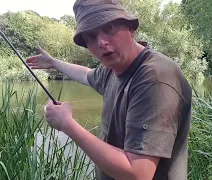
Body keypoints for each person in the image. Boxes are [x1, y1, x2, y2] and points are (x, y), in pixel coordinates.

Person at [25, 0, 192, 179]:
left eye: (110, 28)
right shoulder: (113, 69)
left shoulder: (155, 78)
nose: (101, 42)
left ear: (130, 28)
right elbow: (86, 74)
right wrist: (53, 63)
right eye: (90, 36)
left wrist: (67, 124)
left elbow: (138, 174)